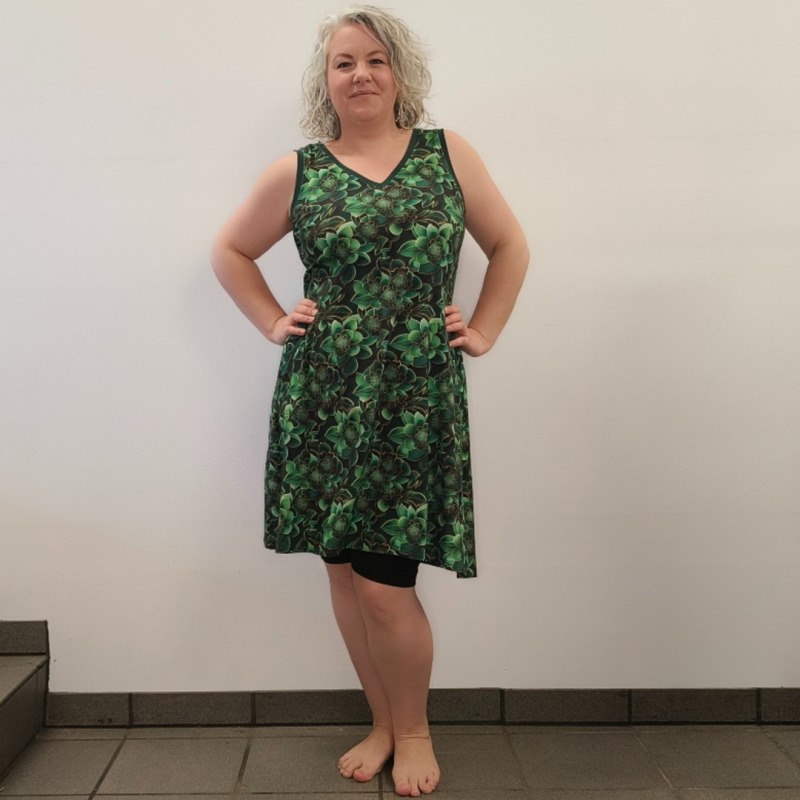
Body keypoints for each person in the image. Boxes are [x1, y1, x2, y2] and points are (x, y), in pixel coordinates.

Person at [210, 4, 529, 796]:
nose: (361, 74)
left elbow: (509, 245)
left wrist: (483, 329)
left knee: (387, 585)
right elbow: (231, 250)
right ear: (326, 81)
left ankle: (415, 730)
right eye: (345, 62)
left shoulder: (447, 154)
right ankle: (384, 722)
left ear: (399, 74)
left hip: (413, 401)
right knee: (348, 577)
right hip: (323, 397)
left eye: (376, 59)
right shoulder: (299, 171)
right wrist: (273, 321)